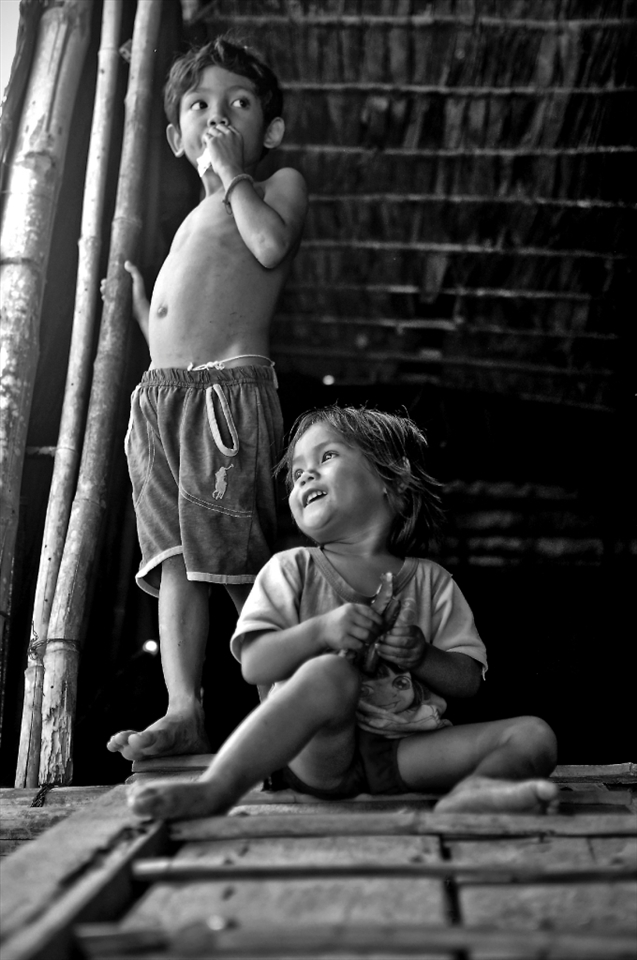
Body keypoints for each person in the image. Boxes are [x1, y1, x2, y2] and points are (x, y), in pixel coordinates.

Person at [128, 405, 558, 819]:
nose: (306, 476)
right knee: (329, 675)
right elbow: (256, 665)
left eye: (327, 455)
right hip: (319, 755)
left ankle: (475, 792)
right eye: (297, 474)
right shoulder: (291, 568)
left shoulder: (433, 582)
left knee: (533, 735)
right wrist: (321, 632)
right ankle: (216, 788)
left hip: (406, 752)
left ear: (395, 476)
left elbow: (467, 681)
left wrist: (423, 656)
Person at [106, 36, 308, 763]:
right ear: (174, 136)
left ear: (270, 132)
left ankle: (282, 714)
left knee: (233, 557)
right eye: (200, 106)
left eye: (238, 104)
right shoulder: (190, 220)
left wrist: (232, 175)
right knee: (174, 560)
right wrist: (136, 307)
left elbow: (267, 248)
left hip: (224, 398)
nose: (217, 117)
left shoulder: (273, 184)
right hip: (162, 401)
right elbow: (179, 322)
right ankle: (183, 708)